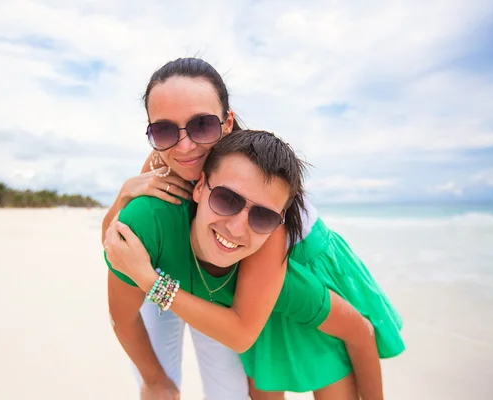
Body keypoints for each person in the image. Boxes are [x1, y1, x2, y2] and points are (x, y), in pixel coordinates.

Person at [103, 58, 405, 399]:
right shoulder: (162, 163)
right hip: (216, 265)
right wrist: (124, 194)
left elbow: (243, 328)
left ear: (227, 122)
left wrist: (151, 282)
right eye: (164, 130)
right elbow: (114, 246)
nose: (184, 146)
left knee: (316, 371)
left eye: (202, 125)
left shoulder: (260, 212)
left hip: (294, 265)